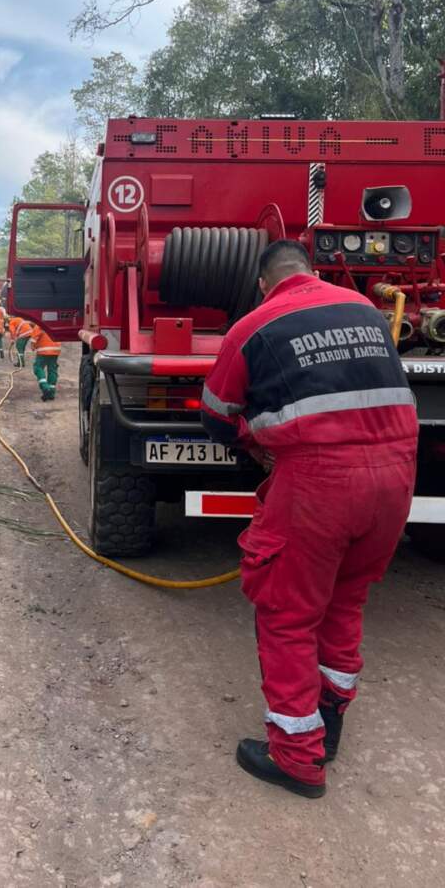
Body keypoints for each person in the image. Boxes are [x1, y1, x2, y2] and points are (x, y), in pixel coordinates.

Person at [200, 239, 418, 799]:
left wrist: (255, 438)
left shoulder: (252, 326)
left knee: (287, 614)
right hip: (396, 476)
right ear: (312, 271)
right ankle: (330, 721)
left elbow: (217, 417)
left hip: (320, 484)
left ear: (262, 284)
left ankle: (297, 757)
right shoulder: (366, 309)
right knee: (345, 601)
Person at [29, 323, 61, 401]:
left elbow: (34, 338)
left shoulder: (39, 325)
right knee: (52, 370)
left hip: (43, 351)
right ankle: (51, 392)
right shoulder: (55, 324)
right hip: (55, 350)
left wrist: (33, 346)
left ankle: (45, 387)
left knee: (38, 367)